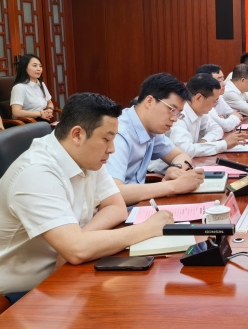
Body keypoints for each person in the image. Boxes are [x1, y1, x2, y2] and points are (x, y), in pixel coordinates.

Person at [0, 93, 175, 304]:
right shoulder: (36, 172)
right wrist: (149, 228)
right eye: (106, 139)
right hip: (26, 294)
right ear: (77, 135)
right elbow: (77, 250)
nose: (112, 149)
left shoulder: (86, 155)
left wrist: (80, 239)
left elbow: (116, 207)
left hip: (69, 272)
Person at [106, 73, 205, 205]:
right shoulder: (119, 134)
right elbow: (113, 194)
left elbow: (181, 155)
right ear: (149, 101)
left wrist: (175, 169)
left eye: (178, 114)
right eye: (172, 110)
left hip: (142, 204)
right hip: (121, 210)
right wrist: (174, 185)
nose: (174, 119)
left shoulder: (151, 128)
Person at [149, 74, 248, 173]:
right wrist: (224, 144)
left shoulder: (199, 111)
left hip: (183, 168)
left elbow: (217, 129)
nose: (214, 106)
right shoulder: (179, 115)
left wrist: (203, 142)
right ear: (198, 98)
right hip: (161, 173)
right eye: (214, 102)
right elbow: (186, 150)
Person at [195, 63, 242, 132]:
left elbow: (235, 114)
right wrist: (228, 119)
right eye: (219, 81)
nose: (224, 84)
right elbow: (226, 126)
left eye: (223, 79)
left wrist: (224, 119)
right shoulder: (203, 100)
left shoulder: (219, 97)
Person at [10, 54, 55, 122]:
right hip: (27, 122)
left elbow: (49, 102)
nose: (39, 69)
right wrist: (40, 114)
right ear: (25, 68)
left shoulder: (41, 84)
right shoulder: (19, 87)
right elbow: (16, 112)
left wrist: (49, 110)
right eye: (34, 66)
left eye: (40, 66)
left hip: (42, 120)